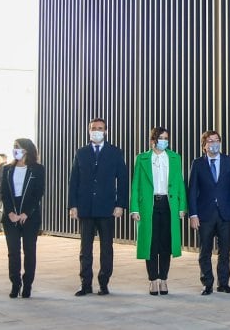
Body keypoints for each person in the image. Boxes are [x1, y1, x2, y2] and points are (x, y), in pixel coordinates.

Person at [68, 117, 128, 296]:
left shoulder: (115, 152)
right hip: (85, 208)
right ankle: (85, 283)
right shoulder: (81, 152)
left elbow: (123, 181)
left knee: (106, 248)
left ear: (106, 131)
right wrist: (73, 205)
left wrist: (120, 205)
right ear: (89, 131)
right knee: (85, 249)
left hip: (107, 208)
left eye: (100, 128)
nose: (96, 131)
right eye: (93, 128)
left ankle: (104, 282)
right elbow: (74, 181)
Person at [130, 127, 187, 295]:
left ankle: (164, 279)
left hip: (169, 204)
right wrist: (134, 208)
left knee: (166, 243)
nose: (164, 141)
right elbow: (136, 185)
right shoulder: (142, 158)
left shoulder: (175, 158)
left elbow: (180, 183)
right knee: (150, 244)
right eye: (161, 138)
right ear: (152, 140)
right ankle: (153, 280)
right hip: (149, 205)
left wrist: (182, 206)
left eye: (166, 138)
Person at [187, 129, 230, 295]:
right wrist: (193, 214)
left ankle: (223, 283)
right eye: (210, 141)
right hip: (205, 214)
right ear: (204, 146)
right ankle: (207, 283)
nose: (214, 144)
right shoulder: (197, 164)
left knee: (224, 251)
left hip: (226, 213)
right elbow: (192, 191)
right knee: (205, 251)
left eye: (217, 140)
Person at [2, 138, 45, 298]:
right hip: (11, 215)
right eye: (14, 147)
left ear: (26, 150)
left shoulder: (37, 169)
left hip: (30, 216)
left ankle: (28, 285)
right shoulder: (7, 169)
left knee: (29, 250)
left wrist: (26, 213)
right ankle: (15, 284)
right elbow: (5, 194)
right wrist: (10, 213)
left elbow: (38, 193)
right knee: (13, 252)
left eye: (18, 147)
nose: (15, 150)